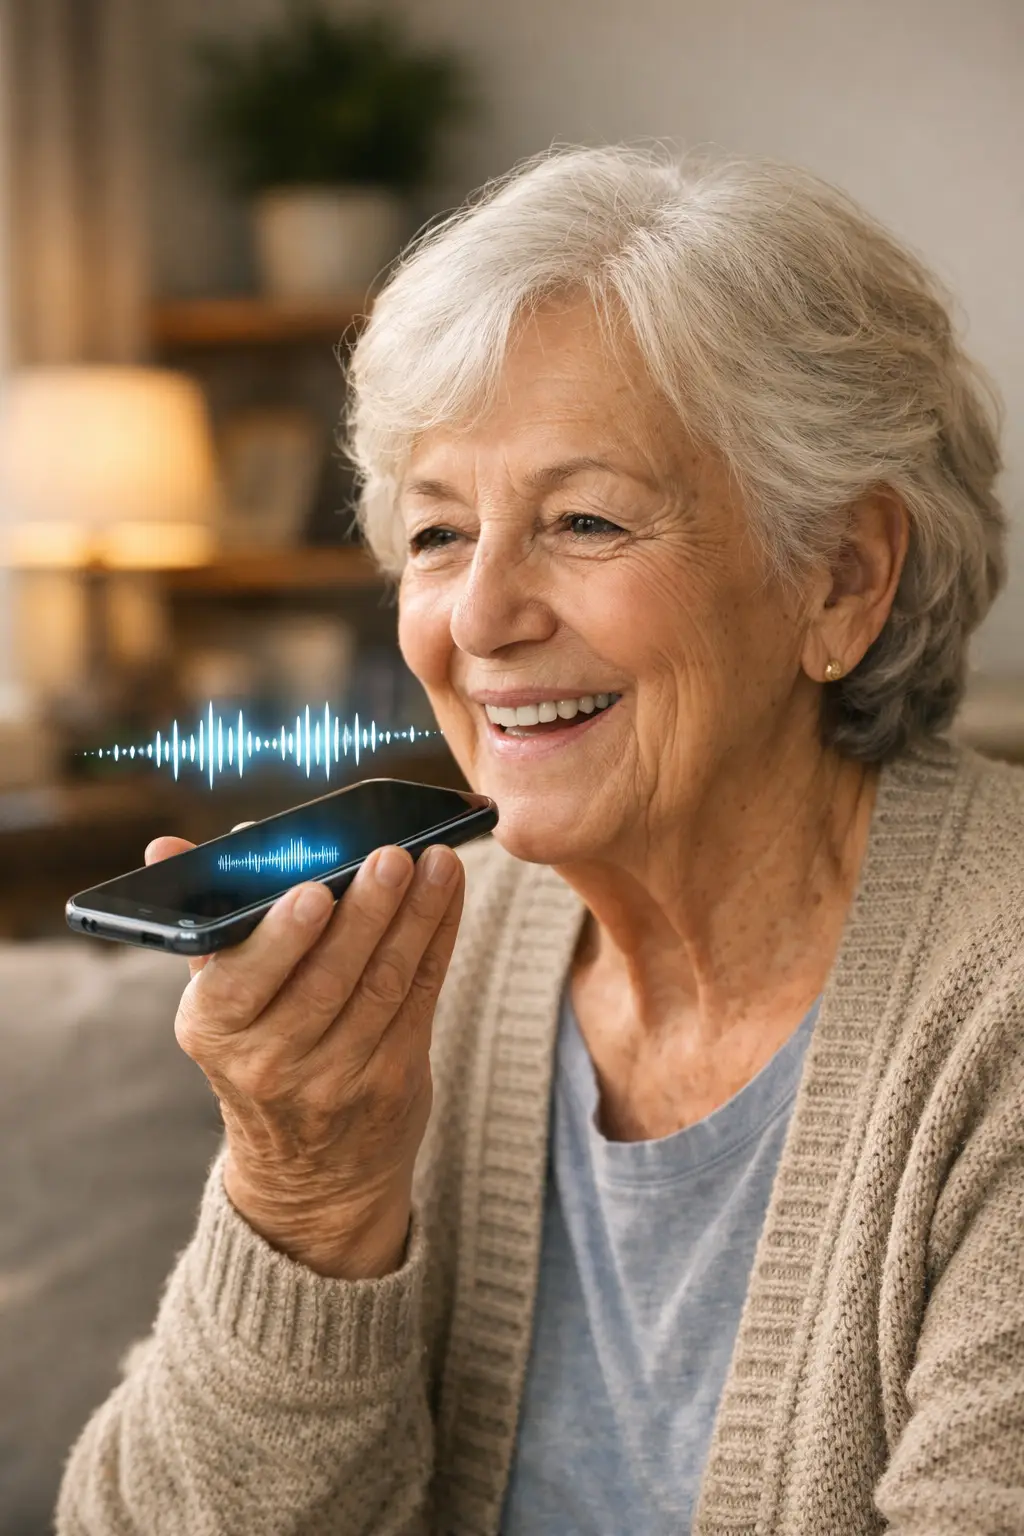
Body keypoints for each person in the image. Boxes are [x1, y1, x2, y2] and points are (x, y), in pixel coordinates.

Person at [58, 146, 1024, 1536]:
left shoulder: (992, 1010)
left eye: (584, 519)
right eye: (441, 533)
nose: (482, 616)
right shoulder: (434, 948)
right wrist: (306, 1202)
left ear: (843, 580)